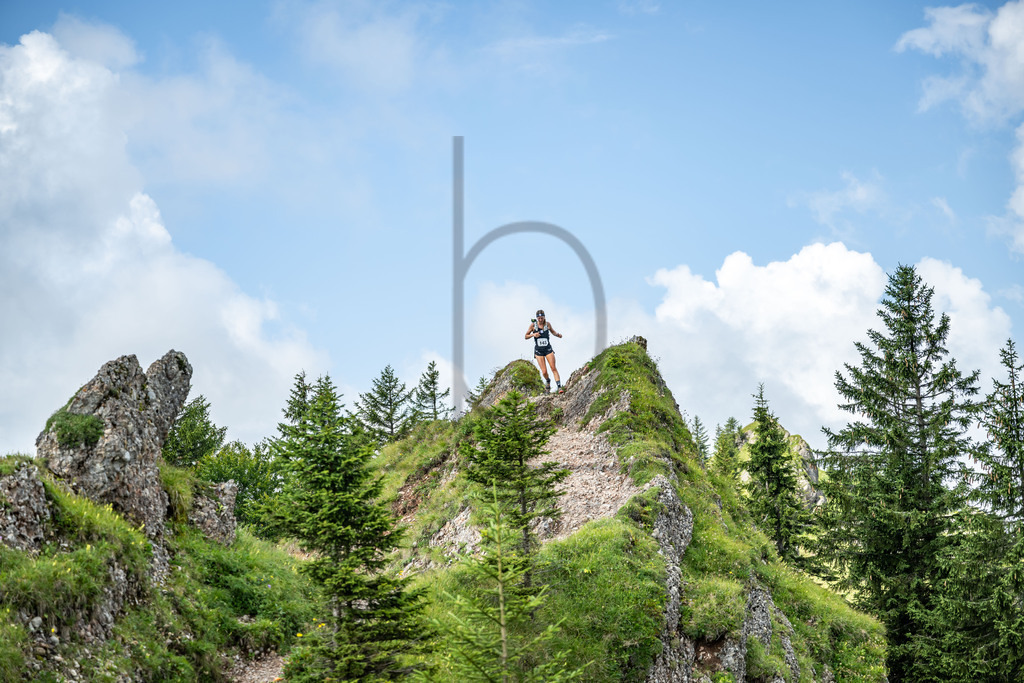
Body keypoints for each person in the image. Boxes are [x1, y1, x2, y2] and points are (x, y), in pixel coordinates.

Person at [525, 309, 564, 393]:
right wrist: (533, 334)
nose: (540, 320)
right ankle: (548, 381)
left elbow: (553, 332)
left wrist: (558, 335)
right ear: (537, 318)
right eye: (539, 318)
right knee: (544, 371)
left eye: (541, 318)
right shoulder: (533, 325)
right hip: (539, 351)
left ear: (544, 317)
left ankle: (559, 387)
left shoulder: (547, 324)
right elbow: (526, 336)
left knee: (553, 368)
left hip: (548, 349)